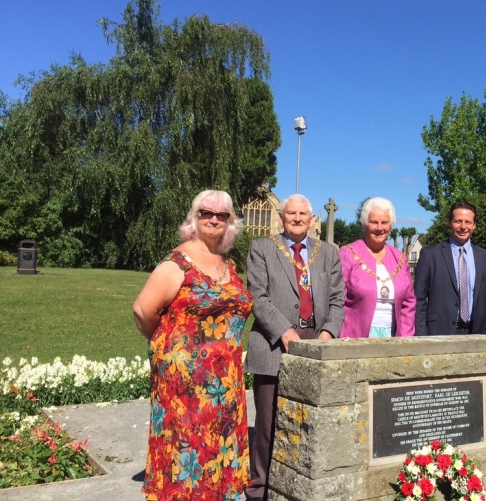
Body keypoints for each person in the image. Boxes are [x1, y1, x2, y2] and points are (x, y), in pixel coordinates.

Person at [133, 190, 252, 501]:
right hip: (185, 388)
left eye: (222, 215)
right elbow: (143, 310)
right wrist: (171, 349)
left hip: (224, 385)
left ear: (230, 223)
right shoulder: (177, 264)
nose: (214, 219)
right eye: (206, 213)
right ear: (193, 218)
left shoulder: (227, 263)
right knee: (188, 454)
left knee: (218, 449)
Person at [244, 194, 345, 501]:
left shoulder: (328, 253)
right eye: (292, 214)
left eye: (303, 214)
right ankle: (259, 487)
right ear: (281, 218)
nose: (298, 218)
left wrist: (327, 335)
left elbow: (338, 300)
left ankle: (298, 485)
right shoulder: (262, 249)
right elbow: (258, 299)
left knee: (309, 421)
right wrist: (286, 333)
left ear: (313, 219)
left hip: (317, 343)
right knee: (267, 423)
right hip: (274, 345)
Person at [414, 200, 486, 335]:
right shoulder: (430, 255)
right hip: (439, 333)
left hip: (477, 333)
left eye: (468, 222)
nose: (463, 226)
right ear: (449, 223)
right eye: (458, 221)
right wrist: (421, 335)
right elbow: (418, 299)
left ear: (474, 225)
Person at [339, 197, 415, 338]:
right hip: (354, 338)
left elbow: (409, 302)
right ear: (365, 224)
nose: (379, 228)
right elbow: (337, 300)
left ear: (390, 225)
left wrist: (405, 338)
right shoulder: (348, 253)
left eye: (384, 222)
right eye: (374, 222)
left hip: (393, 337)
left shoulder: (400, 258)